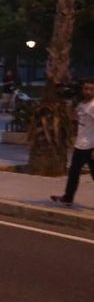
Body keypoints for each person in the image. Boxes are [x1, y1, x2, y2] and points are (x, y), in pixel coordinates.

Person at [51, 79, 94, 207]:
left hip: (91, 146)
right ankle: (68, 198)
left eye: (91, 89)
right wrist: (69, 105)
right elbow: (74, 118)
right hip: (80, 144)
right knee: (74, 172)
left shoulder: (93, 106)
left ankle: (68, 197)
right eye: (86, 88)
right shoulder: (82, 104)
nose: (88, 91)